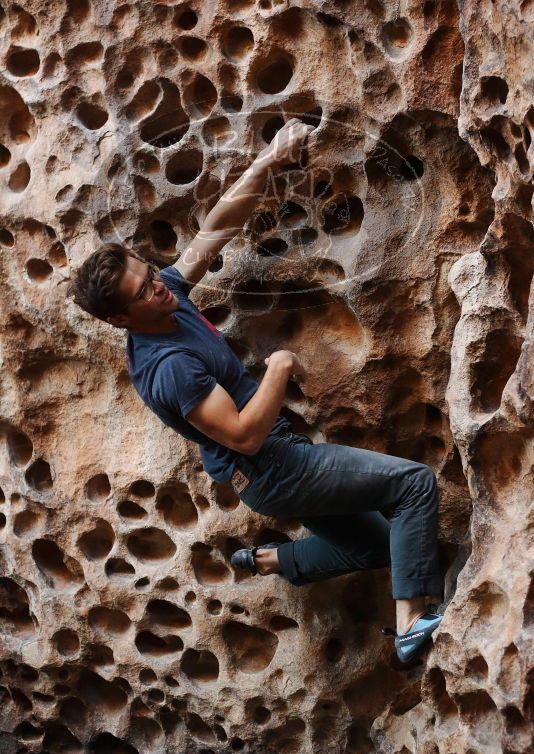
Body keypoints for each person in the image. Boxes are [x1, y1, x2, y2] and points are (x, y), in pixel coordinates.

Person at [68, 118, 443, 664]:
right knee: (413, 487)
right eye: (144, 290)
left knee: (374, 544)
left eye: (150, 272)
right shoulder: (168, 367)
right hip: (273, 467)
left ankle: (273, 562)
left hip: (280, 462)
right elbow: (243, 435)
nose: (159, 284)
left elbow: (215, 230)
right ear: (121, 317)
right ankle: (411, 624)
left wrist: (270, 160)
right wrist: (280, 367)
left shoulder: (167, 298)